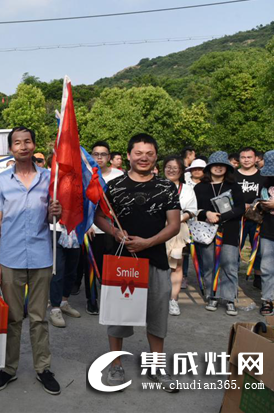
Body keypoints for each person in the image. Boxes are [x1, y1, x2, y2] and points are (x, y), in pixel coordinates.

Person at [94, 133, 181, 392]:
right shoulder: (116, 186)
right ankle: (115, 364)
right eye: (138, 153)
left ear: (156, 156)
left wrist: (148, 242)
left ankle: (156, 367)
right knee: (118, 317)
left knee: (157, 316)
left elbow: (174, 225)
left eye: (149, 153)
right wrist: (115, 232)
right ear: (129, 155)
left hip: (156, 261)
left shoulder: (166, 187)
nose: (143, 157)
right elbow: (100, 217)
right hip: (122, 263)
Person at [0, 127, 62, 395]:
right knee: (13, 318)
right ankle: (9, 368)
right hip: (10, 258)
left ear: (33, 145)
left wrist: (57, 212)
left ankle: (43, 368)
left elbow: (56, 219)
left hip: (42, 256)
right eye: (17, 143)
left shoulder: (49, 179)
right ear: (11, 149)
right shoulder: (1, 181)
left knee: (39, 318)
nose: (22, 146)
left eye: (27, 141)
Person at [193, 152, 245, 316]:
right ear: (209, 168)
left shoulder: (234, 186)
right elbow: (193, 210)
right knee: (208, 264)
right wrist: (207, 214)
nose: (218, 167)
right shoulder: (200, 187)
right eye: (215, 164)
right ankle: (212, 295)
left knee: (229, 264)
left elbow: (240, 208)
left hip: (229, 229)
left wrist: (222, 217)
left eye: (222, 165)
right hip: (206, 230)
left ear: (227, 168)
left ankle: (229, 298)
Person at [77, 141, 124, 315]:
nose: (99, 157)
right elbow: (81, 202)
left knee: (111, 267)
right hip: (92, 230)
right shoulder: (85, 175)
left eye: (103, 154)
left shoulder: (119, 175)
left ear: (109, 157)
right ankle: (92, 300)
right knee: (90, 266)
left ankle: (110, 299)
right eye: (95, 154)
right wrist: (86, 223)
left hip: (113, 230)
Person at [163, 156, 197, 316]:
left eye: (175, 168)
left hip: (178, 231)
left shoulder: (187, 189)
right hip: (157, 230)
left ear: (181, 171)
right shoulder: (157, 186)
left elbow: (192, 210)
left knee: (176, 266)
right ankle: (155, 299)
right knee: (155, 265)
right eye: (168, 167)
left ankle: (173, 300)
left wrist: (175, 220)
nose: (171, 170)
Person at [236, 147, 266, 289]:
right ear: (239, 159)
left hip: (258, 217)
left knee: (259, 249)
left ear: (255, 159)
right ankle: (232, 274)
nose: (246, 160)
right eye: (243, 157)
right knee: (236, 246)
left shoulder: (263, 176)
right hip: (237, 217)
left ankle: (258, 276)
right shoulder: (233, 176)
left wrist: (256, 204)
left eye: (249, 157)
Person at [255, 150, 274, 316]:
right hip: (268, 230)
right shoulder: (265, 182)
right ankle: (267, 300)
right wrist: (262, 205)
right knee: (267, 267)